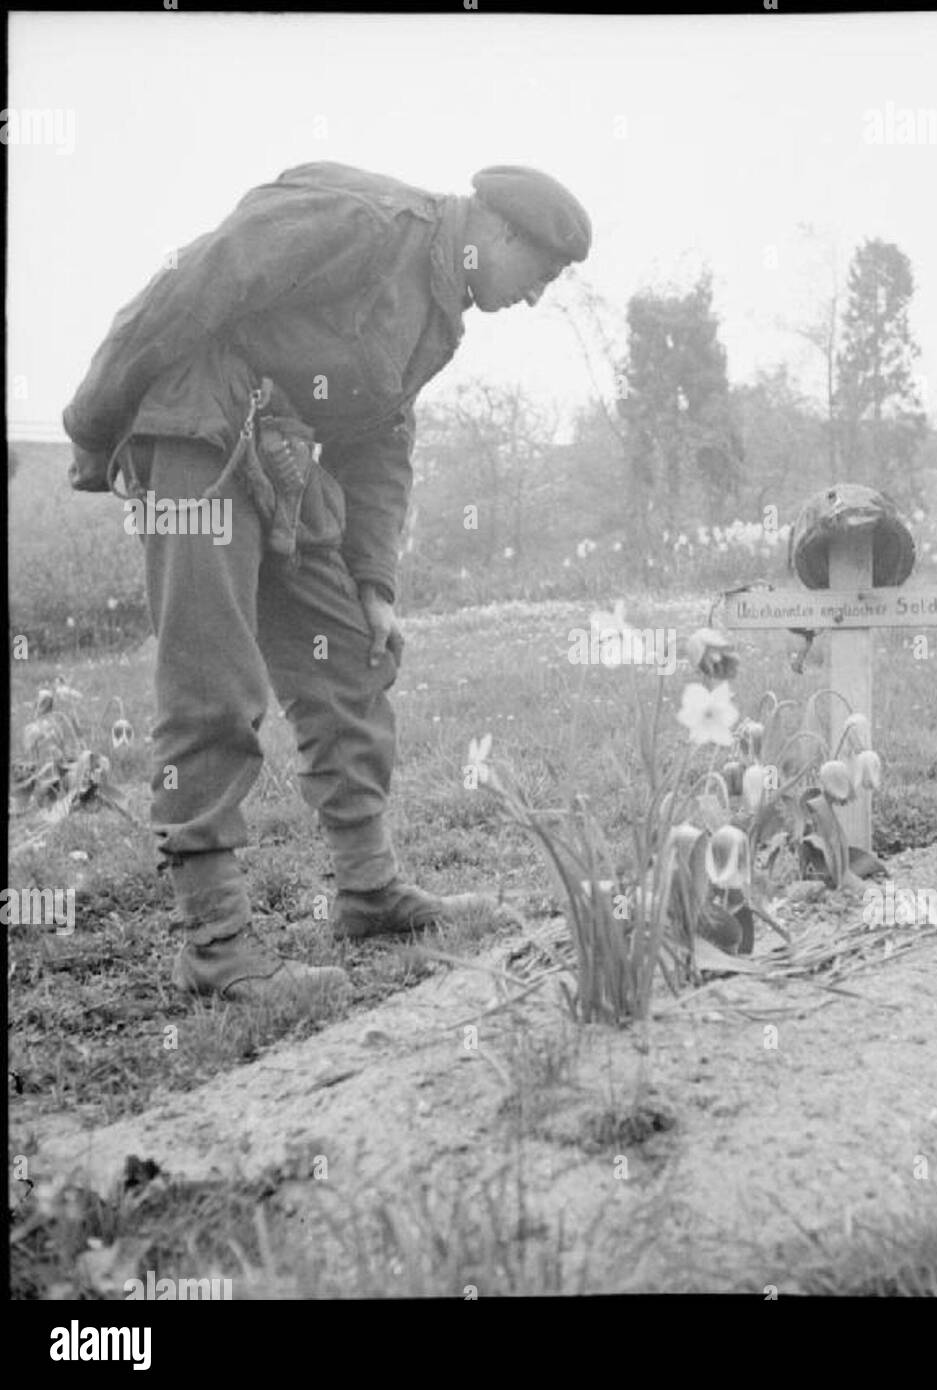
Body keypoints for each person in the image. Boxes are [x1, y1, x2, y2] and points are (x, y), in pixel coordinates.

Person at [62, 161, 591, 1004]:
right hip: (198, 425)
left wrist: (374, 583)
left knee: (349, 652)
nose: (535, 297)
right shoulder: (367, 222)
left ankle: (368, 891)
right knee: (213, 676)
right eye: (543, 273)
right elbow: (199, 277)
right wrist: (95, 418)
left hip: (278, 452)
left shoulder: (440, 317)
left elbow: (382, 444)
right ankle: (216, 946)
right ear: (498, 231)